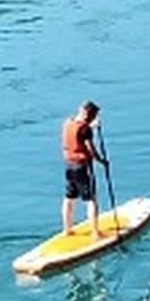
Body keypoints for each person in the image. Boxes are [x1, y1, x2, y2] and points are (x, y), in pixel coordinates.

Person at [60, 100, 105, 238]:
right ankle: (95, 232)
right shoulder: (86, 129)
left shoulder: (68, 123)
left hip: (69, 164)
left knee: (69, 197)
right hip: (82, 166)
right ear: (89, 115)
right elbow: (90, 148)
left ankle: (67, 229)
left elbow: (78, 130)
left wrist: (91, 126)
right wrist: (102, 161)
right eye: (93, 116)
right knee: (91, 199)